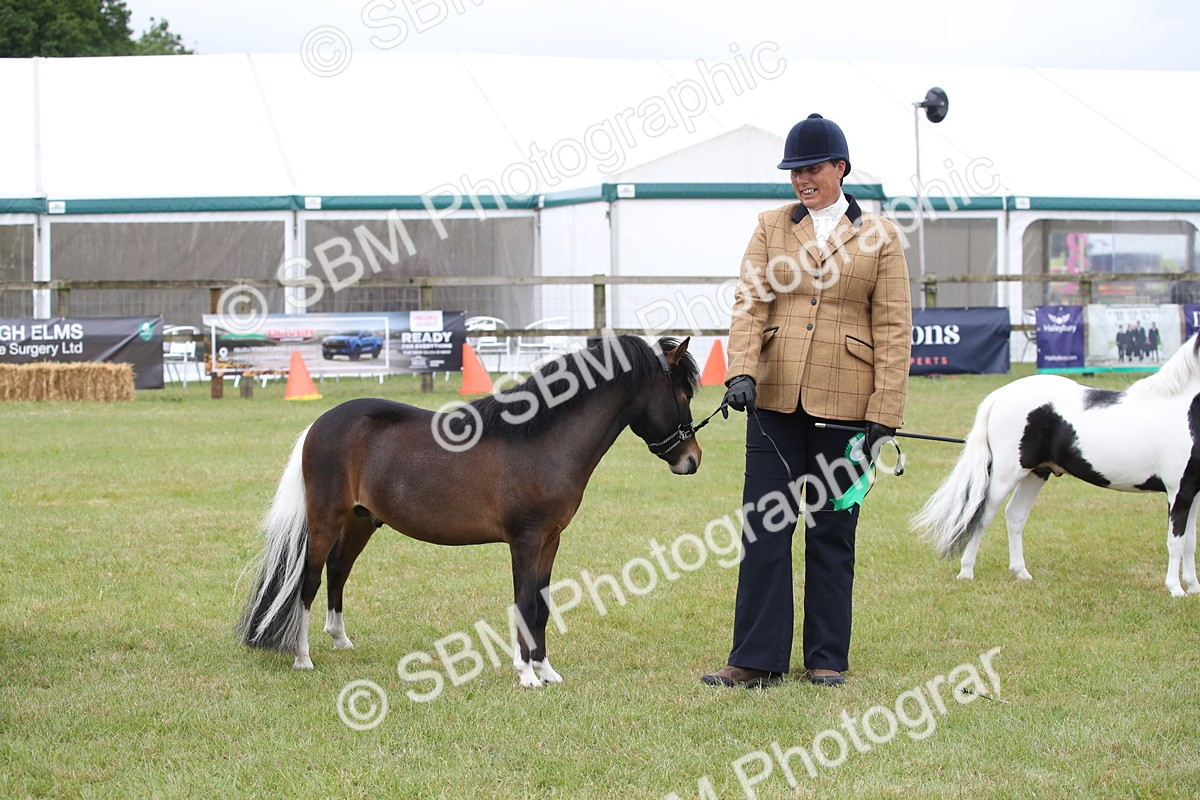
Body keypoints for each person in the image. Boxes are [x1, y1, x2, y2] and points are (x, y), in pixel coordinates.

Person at [702, 113, 912, 688]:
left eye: (812, 168)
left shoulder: (882, 237)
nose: (801, 179)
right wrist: (741, 369)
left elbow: (893, 326)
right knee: (764, 528)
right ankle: (755, 658)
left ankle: (825, 657)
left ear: (840, 169)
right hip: (772, 397)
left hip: (848, 401)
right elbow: (750, 302)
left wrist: (885, 413)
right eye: (795, 170)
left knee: (832, 529)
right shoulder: (771, 226)